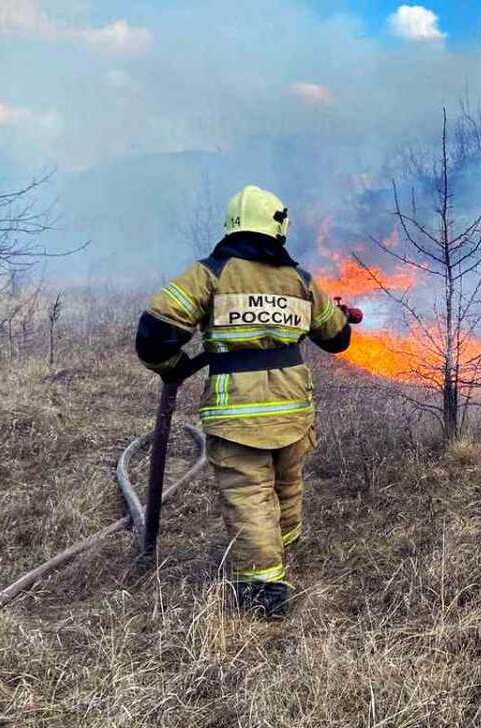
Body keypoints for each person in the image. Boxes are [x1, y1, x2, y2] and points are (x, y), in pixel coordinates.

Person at [134, 185, 359, 620]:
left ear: (231, 226)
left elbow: (155, 333)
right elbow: (338, 339)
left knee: (249, 494)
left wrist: (172, 366)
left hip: (237, 415)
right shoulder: (300, 280)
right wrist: (332, 315)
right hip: (293, 410)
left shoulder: (210, 275)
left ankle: (263, 589)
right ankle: (283, 551)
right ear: (278, 227)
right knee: (286, 484)